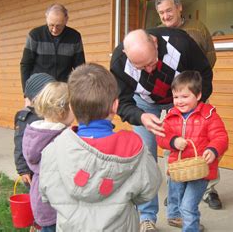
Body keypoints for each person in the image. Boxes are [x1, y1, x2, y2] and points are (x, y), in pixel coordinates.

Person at [110, 28, 213, 232]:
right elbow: (121, 102)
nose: (149, 70)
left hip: (181, 101)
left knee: (180, 156)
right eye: (140, 67)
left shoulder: (181, 44)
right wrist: (140, 116)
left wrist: (191, 107)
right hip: (145, 104)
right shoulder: (119, 62)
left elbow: (204, 74)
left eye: (151, 63)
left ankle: (176, 214)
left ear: (155, 43)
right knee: (146, 161)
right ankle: (147, 218)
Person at [39, 63, 162, 231]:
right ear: (115, 106)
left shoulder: (53, 150)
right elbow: (148, 191)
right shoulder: (135, 150)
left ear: (71, 108)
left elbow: (46, 194)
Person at [155, 0, 223, 210]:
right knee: (173, 143)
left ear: (179, 8)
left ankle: (208, 189)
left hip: (195, 95)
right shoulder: (157, 34)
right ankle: (176, 189)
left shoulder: (198, 28)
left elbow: (209, 57)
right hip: (170, 98)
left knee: (205, 140)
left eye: (168, 10)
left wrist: (194, 86)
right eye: (161, 12)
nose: (165, 16)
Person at [157, 70, 228, 231]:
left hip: (200, 170)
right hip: (178, 170)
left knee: (188, 207)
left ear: (197, 96)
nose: (179, 101)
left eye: (184, 97)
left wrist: (213, 149)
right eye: (176, 97)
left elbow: (221, 136)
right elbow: (161, 137)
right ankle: (175, 217)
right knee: (175, 198)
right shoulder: (171, 115)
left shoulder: (209, 115)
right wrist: (173, 141)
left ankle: (190, 227)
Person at [23, 81, 74, 232]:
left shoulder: (33, 133)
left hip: (40, 200)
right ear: (61, 111)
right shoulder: (61, 137)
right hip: (57, 206)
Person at [20, 3, 85, 100]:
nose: (54, 30)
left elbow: (80, 68)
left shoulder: (75, 37)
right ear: (46, 18)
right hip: (38, 93)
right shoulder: (35, 35)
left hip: (63, 93)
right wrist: (26, 94)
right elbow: (25, 65)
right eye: (51, 25)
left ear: (66, 20)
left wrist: (79, 93)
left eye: (59, 26)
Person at [14, 73, 55, 187]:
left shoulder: (54, 114)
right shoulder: (25, 117)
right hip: (32, 170)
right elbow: (20, 144)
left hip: (50, 167)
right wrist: (23, 170)